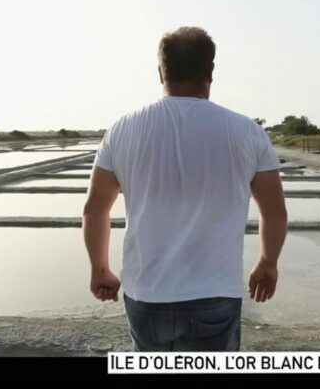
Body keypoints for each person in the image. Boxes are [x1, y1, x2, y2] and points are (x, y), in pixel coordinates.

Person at [82, 26, 288, 352]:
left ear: (161, 71)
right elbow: (274, 211)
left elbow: (95, 209)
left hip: (147, 293)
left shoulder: (122, 130)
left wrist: (99, 269)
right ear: (211, 71)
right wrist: (267, 262)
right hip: (216, 293)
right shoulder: (248, 132)